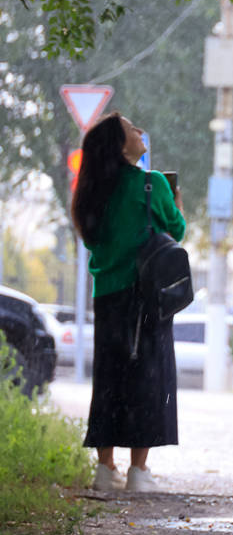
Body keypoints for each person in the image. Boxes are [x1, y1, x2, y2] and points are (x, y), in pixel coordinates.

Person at [71, 112, 186, 492]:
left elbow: (93, 241)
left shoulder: (93, 190)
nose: (139, 132)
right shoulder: (151, 184)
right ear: (122, 146)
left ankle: (105, 468)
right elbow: (177, 230)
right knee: (148, 379)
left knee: (109, 379)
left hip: (107, 297)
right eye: (131, 129)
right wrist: (177, 202)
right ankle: (139, 472)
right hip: (148, 296)